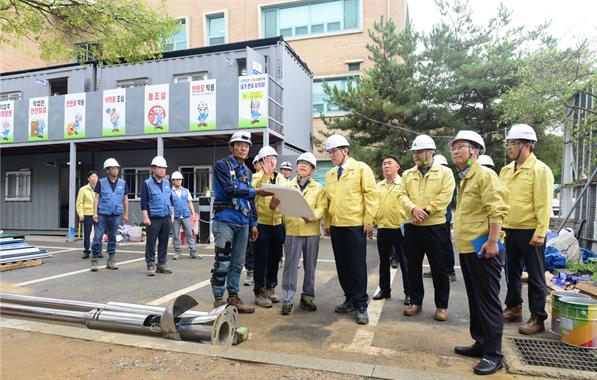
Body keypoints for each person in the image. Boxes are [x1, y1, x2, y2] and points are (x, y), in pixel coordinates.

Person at [449, 130, 510, 376]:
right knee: (475, 299)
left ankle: (494, 355)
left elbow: (497, 209)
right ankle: (481, 343)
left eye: (460, 146)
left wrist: (494, 240)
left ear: (475, 151)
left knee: (488, 302)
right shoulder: (466, 178)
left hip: (484, 247)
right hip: (469, 247)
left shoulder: (485, 175)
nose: (454, 151)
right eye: (453, 147)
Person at [500, 124, 554, 335]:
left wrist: (541, 232)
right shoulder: (505, 170)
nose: (509, 147)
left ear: (527, 145)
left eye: (513, 143)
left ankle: (538, 317)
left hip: (531, 231)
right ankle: (514, 308)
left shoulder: (540, 170)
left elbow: (544, 203)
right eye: (508, 143)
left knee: (535, 276)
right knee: (511, 271)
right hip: (509, 229)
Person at [211, 131, 270, 313]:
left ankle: (234, 297)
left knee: (237, 264)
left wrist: (253, 223)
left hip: (243, 222)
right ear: (232, 147)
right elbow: (230, 190)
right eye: (239, 145)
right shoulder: (221, 165)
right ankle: (219, 300)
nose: (243, 148)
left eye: (246, 146)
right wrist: (256, 192)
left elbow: (249, 201)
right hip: (225, 220)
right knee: (223, 262)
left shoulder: (246, 171)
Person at [398, 134, 455, 321]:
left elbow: (445, 196)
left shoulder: (445, 173)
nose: (416, 155)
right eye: (414, 151)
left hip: (435, 226)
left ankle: (441, 306)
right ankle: (416, 302)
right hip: (413, 226)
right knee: (412, 266)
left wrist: (427, 211)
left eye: (420, 151)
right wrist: (413, 209)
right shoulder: (408, 174)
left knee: (439, 267)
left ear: (430, 152)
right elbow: (401, 195)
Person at [324, 134, 378, 325]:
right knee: (342, 265)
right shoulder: (331, 174)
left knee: (357, 266)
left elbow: (371, 195)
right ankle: (349, 298)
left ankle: (361, 304)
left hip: (355, 225)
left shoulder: (361, 168)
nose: (331, 155)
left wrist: (368, 219)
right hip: (337, 226)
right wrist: (328, 222)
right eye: (329, 152)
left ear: (344, 150)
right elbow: (328, 200)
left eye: (333, 151)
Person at [280, 152, 327, 315]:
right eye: (300, 163)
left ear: (312, 170)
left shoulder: (318, 188)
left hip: (311, 231)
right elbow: (282, 207)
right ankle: (287, 299)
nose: (302, 165)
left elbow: (322, 207)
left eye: (306, 164)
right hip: (292, 230)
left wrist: (313, 217)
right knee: (290, 267)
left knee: (310, 267)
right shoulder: (287, 187)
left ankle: (307, 297)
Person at [252, 146, 288, 308]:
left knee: (275, 258)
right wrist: (264, 175)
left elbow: (287, 197)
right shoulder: (255, 177)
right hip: (262, 224)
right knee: (260, 259)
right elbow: (252, 192)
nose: (271, 162)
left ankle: (270, 287)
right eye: (266, 159)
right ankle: (259, 291)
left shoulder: (282, 179)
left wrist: (278, 205)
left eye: (273, 158)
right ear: (260, 162)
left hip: (278, 224)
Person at [373, 155, 410, 305]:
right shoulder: (378, 186)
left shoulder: (404, 184)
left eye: (389, 163)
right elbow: (374, 205)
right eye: (384, 164)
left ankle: (409, 293)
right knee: (383, 261)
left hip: (400, 228)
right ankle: (384, 290)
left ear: (397, 167)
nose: (386, 166)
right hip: (383, 227)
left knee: (405, 262)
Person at [422, 154, 457, 282]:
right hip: (432, 217)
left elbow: (443, 199)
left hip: (443, 218)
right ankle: (435, 269)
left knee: (445, 245)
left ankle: (450, 271)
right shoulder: (429, 177)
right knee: (434, 248)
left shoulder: (446, 176)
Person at [91, 158, 129, 272]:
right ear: (107, 170)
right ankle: (94, 259)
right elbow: (96, 197)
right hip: (102, 213)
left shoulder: (123, 183)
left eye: (117, 168)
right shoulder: (101, 182)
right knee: (98, 237)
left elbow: (126, 198)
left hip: (116, 214)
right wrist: (94, 213)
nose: (116, 170)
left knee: (112, 237)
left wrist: (126, 214)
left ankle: (111, 259)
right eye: (113, 168)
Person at [141, 155, 174, 276]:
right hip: (153, 218)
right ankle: (150, 264)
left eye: (164, 168)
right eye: (159, 167)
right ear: (153, 169)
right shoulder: (147, 183)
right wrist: (145, 217)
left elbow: (170, 199)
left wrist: (172, 214)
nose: (162, 170)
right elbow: (144, 201)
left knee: (164, 241)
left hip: (166, 217)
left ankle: (161, 263)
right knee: (151, 242)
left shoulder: (167, 183)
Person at [170, 170, 199, 260]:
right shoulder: (170, 192)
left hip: (186, 215)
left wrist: (193, 213)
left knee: (189, 234)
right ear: (173, 181)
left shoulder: (186, 191)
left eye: (180, 179)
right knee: (175, 235)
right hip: (175, 217)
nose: (179, 181)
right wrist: (171, 215)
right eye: (177, 179)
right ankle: (177, 252)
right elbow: (169, 205)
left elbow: (190, 202)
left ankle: (193, 251)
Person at [243, 153, 262, 287]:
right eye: (257, 163)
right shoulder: (250, 178)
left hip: (267, 220)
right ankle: (250, 272)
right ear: (254, 165)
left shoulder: (272, 178)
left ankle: (261, 274)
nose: (259, 165)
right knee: (250, 248)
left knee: (263, 250)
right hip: (252, 218)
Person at [76, 170, 98, 259]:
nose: (94, 178)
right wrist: (81, 214)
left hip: (97, 213)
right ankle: (86, 251)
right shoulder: (83, 189)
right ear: (88, 179)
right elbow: (79, 203)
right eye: (92, 176)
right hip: (87, 213)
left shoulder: (99, 188)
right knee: (87, 234)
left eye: (96, 176)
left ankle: (98, 250)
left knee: (98, 233)